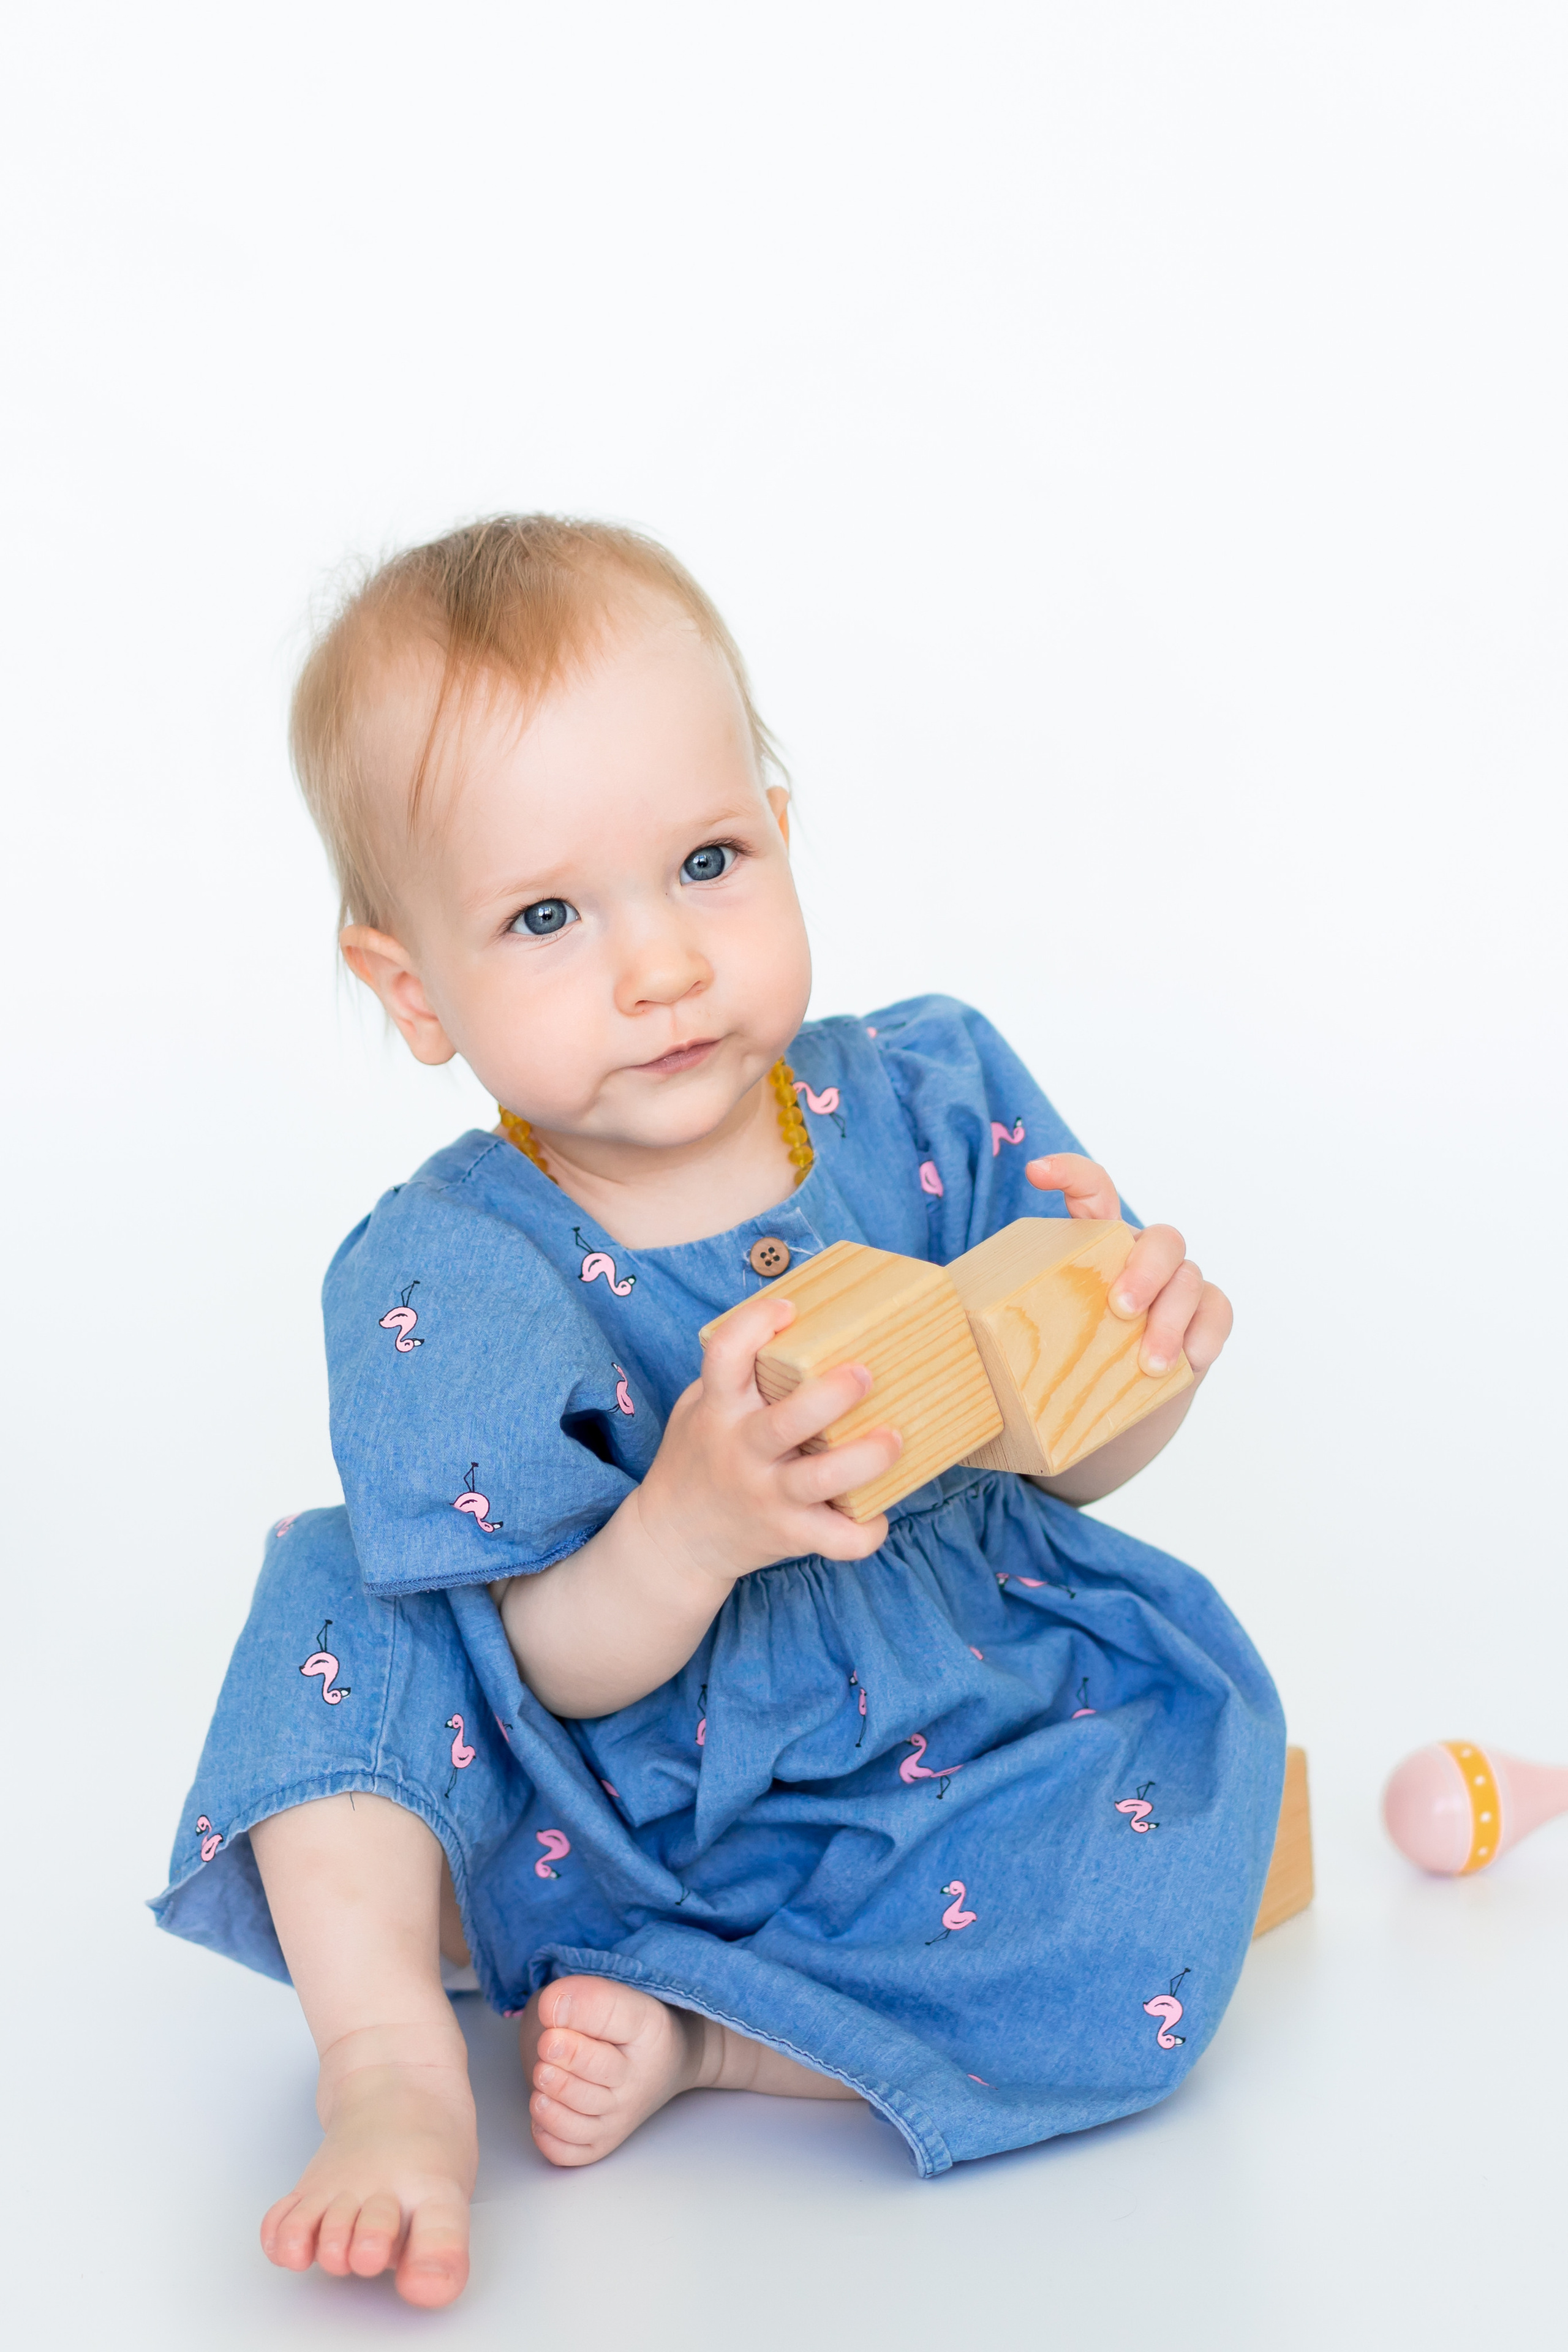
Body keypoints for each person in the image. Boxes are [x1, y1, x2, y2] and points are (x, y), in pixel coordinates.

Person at [152, 515, 1282, 2309]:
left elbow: (1056, 1464)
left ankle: (731, 2041)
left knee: (1181, 1806)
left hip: (924, 1757)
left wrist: (1136, 1357)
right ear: (411, 988)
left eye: (705, 860)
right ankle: (389, 2068)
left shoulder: (925, 1099)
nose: (662, 964)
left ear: (775, 814)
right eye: (546, 915)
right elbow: (556, 1665)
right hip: (593, 1784)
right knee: (339, 1604)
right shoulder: (456, 1269)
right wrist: (685, 1526)